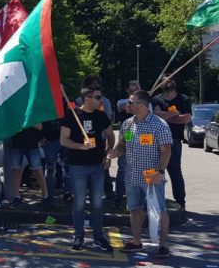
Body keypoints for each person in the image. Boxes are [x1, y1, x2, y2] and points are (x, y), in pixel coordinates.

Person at [107, 90, 172, 258]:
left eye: (131, 102)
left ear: (142, 106)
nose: (127, 105)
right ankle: (136, 241)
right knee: (134, 208)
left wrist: (160, 171)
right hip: (132, 175)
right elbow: (122, 145)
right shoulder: (128, 124)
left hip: (152, 175)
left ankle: (163, 244)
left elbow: (166, 151)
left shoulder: (159, 125)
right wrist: (114, 153)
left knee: (159, 209)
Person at [60, 87, 114, 252]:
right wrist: (80, 146)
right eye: (98, 97)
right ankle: (78, 236)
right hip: (78, 166)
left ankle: (99, 237)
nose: (101, 100)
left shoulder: (101, 115)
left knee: (97, 203)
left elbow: (110, 135)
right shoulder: (72, 114)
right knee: (79, 203)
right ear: (87, 99)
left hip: (97, 165)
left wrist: (109, 152)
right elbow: (63, 140)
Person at [152, 77, 191, 212]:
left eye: (170, 79)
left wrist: (164, 116)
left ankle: (181, 203)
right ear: (161, 84)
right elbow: (155, 116)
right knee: (156, 172)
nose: (168, 81)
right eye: (165, 79)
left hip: (174, 140)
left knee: (175, 173)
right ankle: (156, 202)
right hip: (156, 142)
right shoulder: (156, 99)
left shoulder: (183, 99)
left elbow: (185, 119)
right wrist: (174, 114)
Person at [8, 125, 49, 207]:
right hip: (16, 144)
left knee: (38, 171)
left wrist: (27, 122)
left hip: (32, 144)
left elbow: (39, 126)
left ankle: (46, 196)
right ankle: (17, 196)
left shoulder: (32, 115)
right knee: (16, 170)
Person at [41, 117, 63, 206]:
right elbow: (39, 118)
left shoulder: (67, 107)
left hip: (64, 139)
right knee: (50, 169)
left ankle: (68, 194)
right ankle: (49, 196)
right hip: (49, 140)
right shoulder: (44, 108)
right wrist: (41, 136)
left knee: (67, 169)